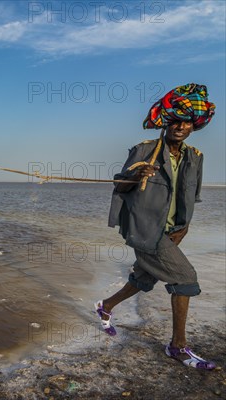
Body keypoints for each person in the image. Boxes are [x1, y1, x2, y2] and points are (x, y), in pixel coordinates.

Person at [96, 83, 216, 370]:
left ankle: (106, 306)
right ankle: (177, 347)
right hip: (144, 229)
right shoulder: (145, 150)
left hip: (172, 231)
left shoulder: (195, 157)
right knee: (185, 278)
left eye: (186, 123)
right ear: (166, 123)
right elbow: (120, 185)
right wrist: (138, 176)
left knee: (145, 278)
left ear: (193, 128)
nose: (180, 127)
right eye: (175, 121)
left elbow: (191, 194)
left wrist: (184, 227)